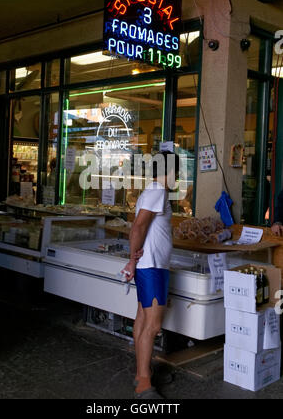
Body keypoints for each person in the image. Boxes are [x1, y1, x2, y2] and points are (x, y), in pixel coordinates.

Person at [121, 150, 179, 399]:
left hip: (152, 265)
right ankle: (144, 384)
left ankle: (140, 372)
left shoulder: (153, 190)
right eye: (178, 170)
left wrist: (134, 260)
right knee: (153, 326)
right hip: (152, 266)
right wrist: (133, 260)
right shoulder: (158, 191)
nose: (179, 176)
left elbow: (142, 227)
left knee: (143, 320)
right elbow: (139, 226)